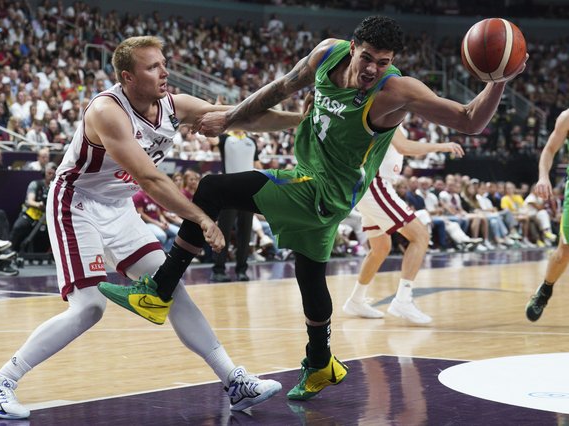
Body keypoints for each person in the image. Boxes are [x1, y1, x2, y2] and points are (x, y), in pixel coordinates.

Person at [98, 16, 524, 402]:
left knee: (211, 187)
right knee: (309, 274)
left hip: (325, 192)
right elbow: (280, 88)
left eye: (384, 60)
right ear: (352, 46)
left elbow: (469, 120)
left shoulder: (396, 90)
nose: (373, 67)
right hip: (309, 178)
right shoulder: (326, 54)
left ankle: (159, 291)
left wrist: (499, 80)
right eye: (367, 57)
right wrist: (232, 117)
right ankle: (320, 363)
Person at [0, 36, 303, 420]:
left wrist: (301, 119)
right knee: (89, 308)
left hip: (118, 206)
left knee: (169, 287)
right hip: (76, 203)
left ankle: (235, 382)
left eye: (164, 64)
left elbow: (243, 116)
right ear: (128, 77)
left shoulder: (173, 106)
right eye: (152, 67)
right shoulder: (107, 111)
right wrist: (201, 218)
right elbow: (148, 177)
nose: (164, 72)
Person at [342, 125, 464, 323]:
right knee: (420, 236)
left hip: (371, 184)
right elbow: (404, 147)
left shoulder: (391, 115)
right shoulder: (388, 114)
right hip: (375, 183)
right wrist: (442, 146)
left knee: (381, 248)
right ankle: (403, 300)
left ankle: (355, 300)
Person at [526, 108, 569, 321]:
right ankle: (545, 289)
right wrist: (544, 177)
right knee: (564, 252)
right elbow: (550, 150)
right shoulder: (567, 117)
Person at [211, 129, 262, 282]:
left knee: (245, 234)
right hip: (228, 192)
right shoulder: (225, 138)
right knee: (223, 232)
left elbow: (257, 165)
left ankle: (242, 270)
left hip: (248, 193)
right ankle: (219, 270)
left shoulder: (251, 141)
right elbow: (211, 140)